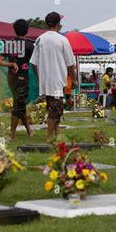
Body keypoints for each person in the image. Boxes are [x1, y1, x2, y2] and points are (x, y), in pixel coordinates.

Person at [30, 12, 77, 140]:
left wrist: (40, 78)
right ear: (59, 24)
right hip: (57, 81)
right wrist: (74, 79)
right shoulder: (62, 39)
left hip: (46, 82)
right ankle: (49, 138)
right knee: (56, 111)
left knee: (53, 108)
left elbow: (33, 63)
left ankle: (56, 135)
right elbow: (70, 64)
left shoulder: (40, 39)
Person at [0, 19, 35, 139]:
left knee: (19, 103)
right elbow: (34, 63)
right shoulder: (29, 45)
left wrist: (11, 64)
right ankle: (12, 134)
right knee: (18, 105)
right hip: (22, 78)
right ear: (27, 30)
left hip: (11, 79)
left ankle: (29, 130)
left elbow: (0, 61)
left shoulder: (9, 44)